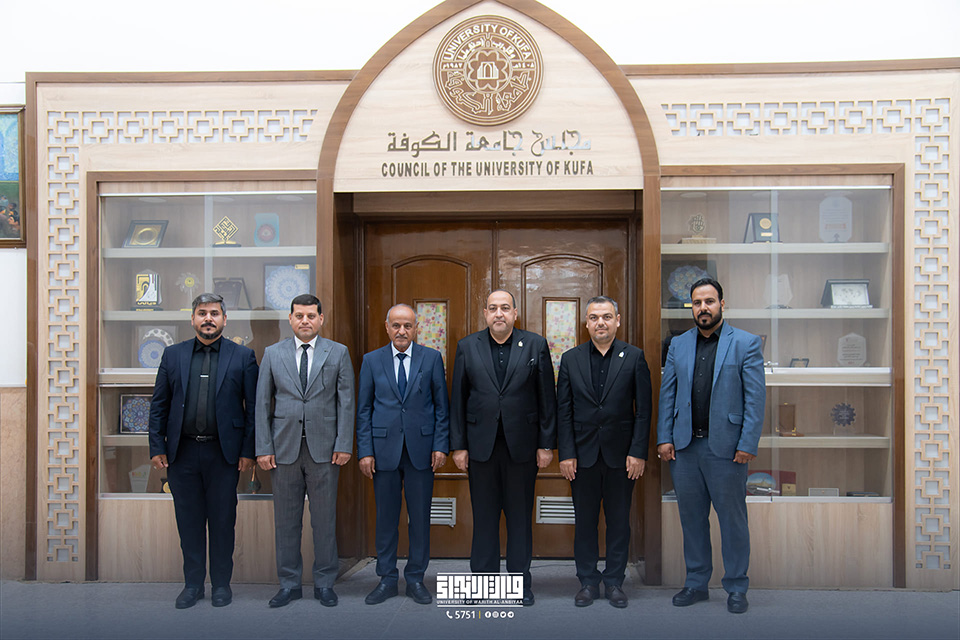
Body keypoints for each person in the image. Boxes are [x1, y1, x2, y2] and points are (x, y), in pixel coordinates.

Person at [657, 277, 765, 614]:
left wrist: (747, 443)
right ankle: (696, 583)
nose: (703, 308)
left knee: (732, 521)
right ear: (691, 307)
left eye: (709, 301)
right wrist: (664, 437)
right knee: (692, 520)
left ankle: (736, 586)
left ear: (721, 304)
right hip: (685, 449)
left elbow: (755, 399)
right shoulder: (678, 344)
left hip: (728, 450)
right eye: (697, 303)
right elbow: (668, 394)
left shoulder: (745, 343)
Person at [148, 292, 258, 609]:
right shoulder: (173, 355)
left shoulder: (243, 357)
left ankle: (222, 585)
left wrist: (248, 452)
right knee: (189, 522)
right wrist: (156, 446)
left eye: (214, 313)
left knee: (223, 522)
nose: (208, 318)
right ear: (192, 319)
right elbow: (159, 405)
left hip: (224, 455)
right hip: (182, 454)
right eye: (202, 313)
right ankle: (193, 585)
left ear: (224, 319)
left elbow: (253, 409)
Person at [450, 290, 556, 606]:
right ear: (485, 313)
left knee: (520, 517)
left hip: (522, 447)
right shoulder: (467, 346)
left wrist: (546, 444)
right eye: (493, 308)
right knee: (484, 517)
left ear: (515, 313)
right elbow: (458, 399)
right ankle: (482, 583)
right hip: (480, 447)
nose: (499, 313)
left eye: (505, 308)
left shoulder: (535, 345)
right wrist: (458, 446)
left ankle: (519, 584)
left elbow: (546, 398)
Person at [255, 294, 354, 608]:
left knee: (324, 521)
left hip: (324, 450)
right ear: (290, 319)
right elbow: (262, 404)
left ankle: (324, 583)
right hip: (283, 449)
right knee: (286, 522)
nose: (305, 321)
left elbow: (346, 402)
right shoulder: (273, 354)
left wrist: (343, 443)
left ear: (321, 319)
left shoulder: (337, 352)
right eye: (299, 316)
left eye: (311, 316)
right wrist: (263, 447)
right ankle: (289, 584)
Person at [557, 296, 652, 608]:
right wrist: (566, 453)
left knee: (619, 522)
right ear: (586, 323)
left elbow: (643, 411)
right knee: (584, 522)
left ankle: (613, 582)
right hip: (581, 457)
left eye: (607, 317)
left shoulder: (634, 357)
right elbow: (564, 411)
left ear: (617, 321)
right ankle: (587, 581)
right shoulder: (570, 359)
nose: (601, 322)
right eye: (595, 317)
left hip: (622, 457)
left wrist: (638, 452)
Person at [356, 304, 449, 605]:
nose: (402, 331)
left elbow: (441, 407)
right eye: (396, 325)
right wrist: (365, 451)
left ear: (416, 328)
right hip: (383, 451)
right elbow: (364, 409)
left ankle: (416, 578)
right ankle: (386, 578)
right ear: (387, 327)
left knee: (419, 518)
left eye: (407, 325)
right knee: (386, 519)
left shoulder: (431, 358)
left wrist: (440, 445)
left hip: (421, 451)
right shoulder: (372, 360)